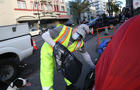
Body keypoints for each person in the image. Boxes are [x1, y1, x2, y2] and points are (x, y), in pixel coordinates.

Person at [40, 22, 95, 90]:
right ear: (76, 28)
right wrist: (55, 46)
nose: (77, 36)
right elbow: (44, 35)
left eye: (80, 36)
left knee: (70, 67)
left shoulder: (79, 43)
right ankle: (47, 88)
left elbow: (85, 55)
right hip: (48, 52)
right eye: (77, 33)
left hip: (62, 56)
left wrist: (93, 66)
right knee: (47, 72)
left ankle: (70, 86)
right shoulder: (63, 30)